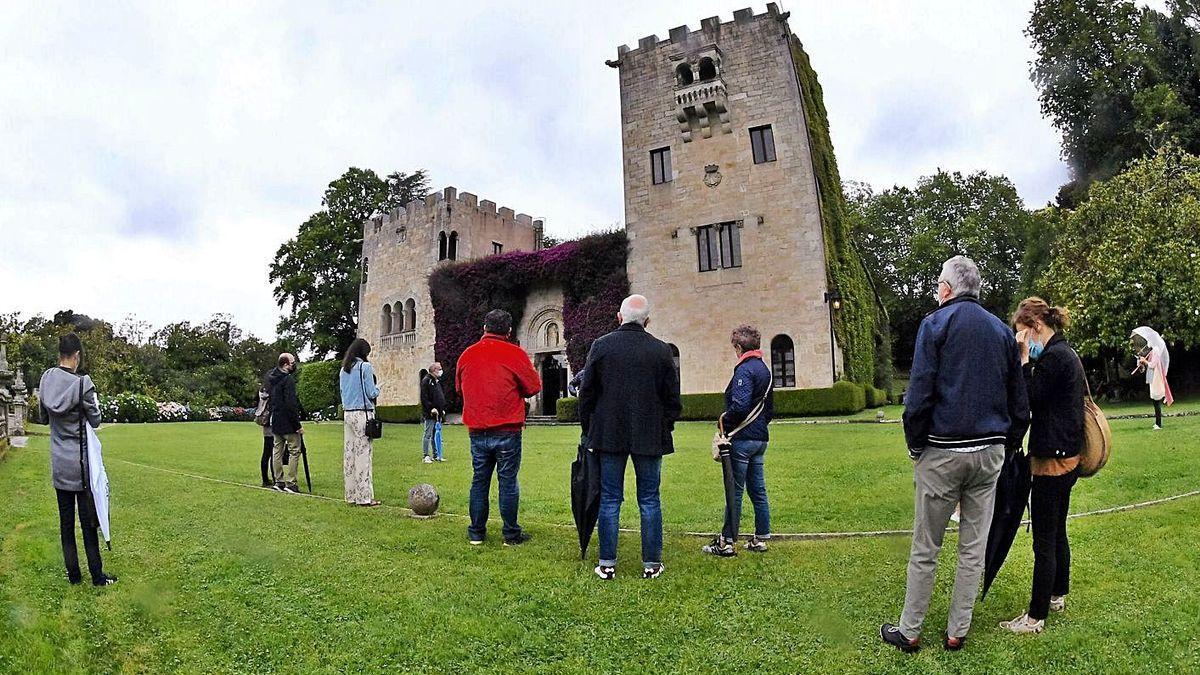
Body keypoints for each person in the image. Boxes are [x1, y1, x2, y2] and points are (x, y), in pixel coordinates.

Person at [880, 256, 1029, 653]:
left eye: (938, 284)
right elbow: (1021, 405)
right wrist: (1006, 443)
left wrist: (915, 443)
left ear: (947, 288)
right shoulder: (1001, 332)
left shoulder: (935, 324)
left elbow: (919, 395)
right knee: (972, 546)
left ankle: (910, 629)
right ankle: (956, 630)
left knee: (926, 546)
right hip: (989, 452)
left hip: (943, 452)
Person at [579, 295, 681, 580]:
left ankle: (608, 562)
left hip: (609, 433)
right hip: (649, 433)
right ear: (647, 321)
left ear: (619, 317)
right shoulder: (660, 351)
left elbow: (587, 393)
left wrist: (589, 427)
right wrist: (664, 424)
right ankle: (651, 563)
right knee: (649, 498)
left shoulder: (602, 346)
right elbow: (673, 398)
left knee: (611, 498)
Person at [1000, 298, 1084, 634]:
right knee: (1057, 529)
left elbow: (1028, 397)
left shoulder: (1054, 357)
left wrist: (1022, 360)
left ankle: (1035, 616)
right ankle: (1056, 594)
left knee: (1044, 540)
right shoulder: (1066, 354)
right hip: (1067, 455)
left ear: (1036, 326)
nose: (1024, 343)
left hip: (1053, 459)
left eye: (1023, 335)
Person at [456, 309, 541, 546]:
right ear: (509, 331)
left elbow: (459, 388)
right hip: (507, 429)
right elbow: (534, 386)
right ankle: (511, 534)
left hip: (477, 429)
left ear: (484, 327)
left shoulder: (467, 355)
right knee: (507, 481)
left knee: (479, 480)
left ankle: (476, 532)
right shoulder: (514, 353)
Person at [39, 333, 117, 586]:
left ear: (59, 354)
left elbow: (43, 419)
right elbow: (95, 420)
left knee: (66, 524)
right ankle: (97, 576)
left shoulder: (47, 379)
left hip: (59, 464)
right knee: (88, 523)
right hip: (81, 466)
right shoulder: (83, 384)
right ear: (77, 356)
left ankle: (73, 575)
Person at [702, 325, 774, 557]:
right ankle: (761, 538)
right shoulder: (765, 370)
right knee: (758, 490)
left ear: (739, 347)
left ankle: (727, 541)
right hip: (760, 438)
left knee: (735, 491)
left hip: (742, 439)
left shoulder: (744, 370)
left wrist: (725, 421)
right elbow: (769, 410)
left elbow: (740, 406)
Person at [340, 338, 381, 506]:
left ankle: (350, 494)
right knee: (364, 455)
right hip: (363, 414)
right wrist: (379, 388)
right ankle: (364, 497)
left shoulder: (343, 370)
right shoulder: (365, 367)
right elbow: (371, 392)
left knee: (349, 454)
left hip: (348, 413)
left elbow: (342, 392)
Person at [267, 353, 304, 494]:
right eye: (292, 363)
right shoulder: (287, 380)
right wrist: (297, 425)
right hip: (287, 422)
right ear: (285, 364)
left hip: (276, 421)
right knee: (294, 451)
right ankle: (291, 483)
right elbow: (290, 405)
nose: (293, 365)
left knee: (277, 451)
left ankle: (279, 481)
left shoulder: (272, 379)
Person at [420, 362, 448, 463]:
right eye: (439, 369)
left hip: (438, 413)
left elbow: (439, 396)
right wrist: (431, 408)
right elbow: (424, 398)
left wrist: (441, 409)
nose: (441, 371)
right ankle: (426, 455)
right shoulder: (426, 381)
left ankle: (437, 454)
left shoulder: (436, 382)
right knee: (427, 434)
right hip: (430, 413)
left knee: (436, 434)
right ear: (434, 370)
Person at [254, 383, 274, 487]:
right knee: (274, 453)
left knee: (266, 453)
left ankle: (265, 478)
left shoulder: (263, 391)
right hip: (272, 423)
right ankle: (275, 478)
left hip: (265, 423)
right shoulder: (272, 391)